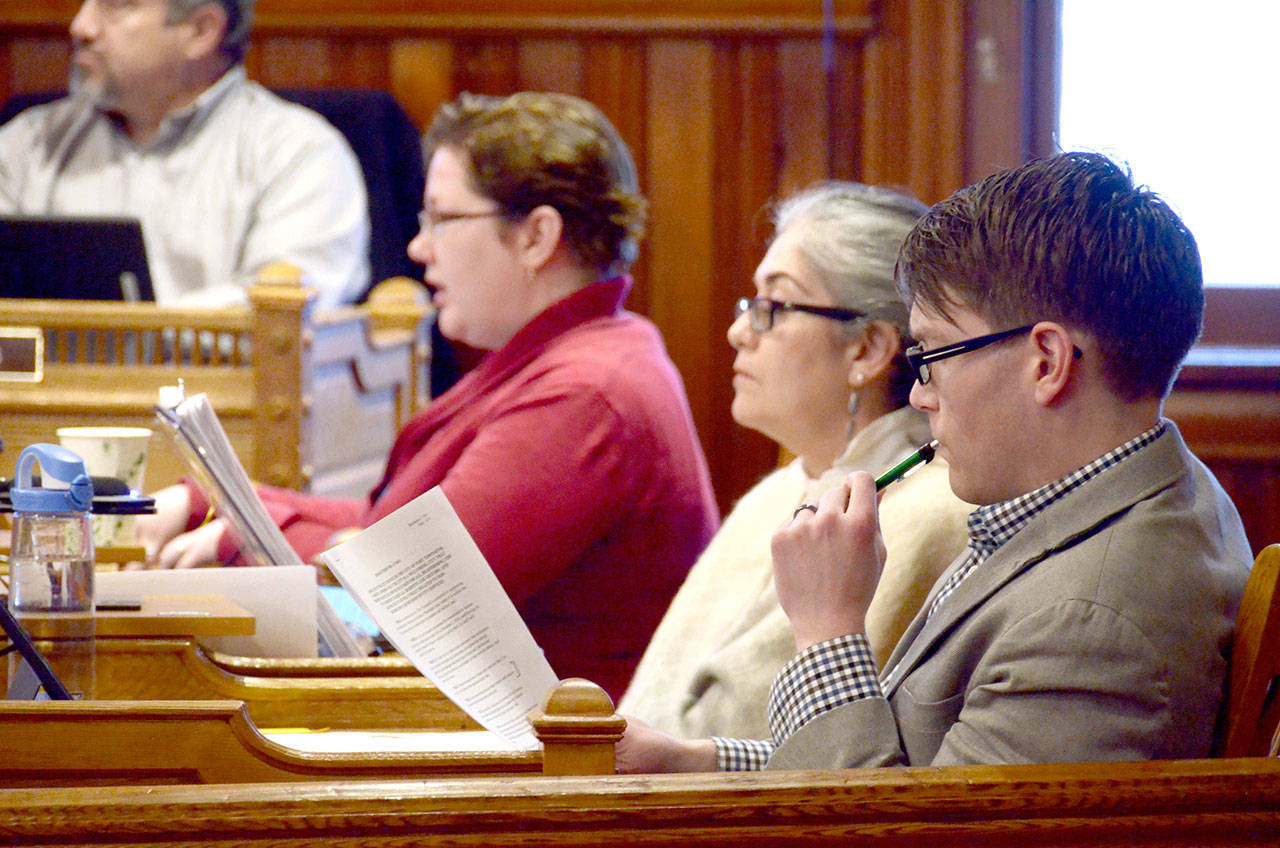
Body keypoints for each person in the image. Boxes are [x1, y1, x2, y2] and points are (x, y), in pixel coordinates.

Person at [623, 151, 1253, 772]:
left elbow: (889, 835)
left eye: (932, 355)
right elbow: (919, 768)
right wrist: (694, 762)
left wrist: (826, 629)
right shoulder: (1136, 489)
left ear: (1047, 363)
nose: (919, 392)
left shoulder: (1093, 629)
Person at [135, 91, 719, 700]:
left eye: (442, 219)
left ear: (536, 238)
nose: (418, 248)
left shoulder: (585, 396)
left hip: (538, 775)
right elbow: (380, 526)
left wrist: (236, 535)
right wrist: (214, 500)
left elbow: (395, 588)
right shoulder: (579, 357)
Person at [616, 183, 971, 743]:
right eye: (751, 304)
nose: (739, 332)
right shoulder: (775, 493)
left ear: (868, 349)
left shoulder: (927, 512)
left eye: (774, 308)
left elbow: (788, 748)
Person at [0, 0, 369, 308]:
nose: (81, 26)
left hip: (219, 394)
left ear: (200, 32)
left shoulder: (297, 153)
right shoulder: (28, 145)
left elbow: (277, 314)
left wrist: (137, 335)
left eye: (115, 6)